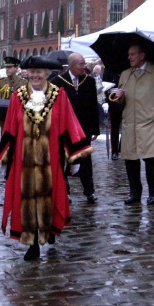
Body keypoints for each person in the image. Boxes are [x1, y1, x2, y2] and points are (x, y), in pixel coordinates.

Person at [0, 55, 93, 261]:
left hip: (52, 159)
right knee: (27, 200)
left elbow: (69, 124)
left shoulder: (59, 95)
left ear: (47, 74)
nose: (35, 75)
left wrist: (74, 158)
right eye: (32, 72)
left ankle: (48, 231)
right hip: (24, 160)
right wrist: (5, 158)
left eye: (39, 72)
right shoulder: (18, 96)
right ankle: (32, 243)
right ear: (27, 74)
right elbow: (10, 128)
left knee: (50, 198)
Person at [112, 43, 154, 206]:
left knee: (150, 161)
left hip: (151, 124)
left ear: (142, 55)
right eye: (129, 54)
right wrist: (118, 96)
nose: (129, 57)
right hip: (130, 124)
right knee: (130, 161)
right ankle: (135, 193)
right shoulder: (125, 74)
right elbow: (120, 102)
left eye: (132, 54)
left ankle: (153, 194)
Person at [51, 52, 99, 204]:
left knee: (85, 160)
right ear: (71, 66)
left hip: (83, 129)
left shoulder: (89, 81)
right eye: (80, 64)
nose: (84, 67)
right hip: (64, 129)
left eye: (84, 63)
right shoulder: (57, 82)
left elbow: (93, 106)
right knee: (64, 160)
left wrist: (95, 129)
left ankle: (89, 191)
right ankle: (65, 192)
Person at [102, 68, 122, 160]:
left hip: (127, 100)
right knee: (114, 127)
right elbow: (105, 86)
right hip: (113, 100)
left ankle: (122, 147)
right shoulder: (108, 70)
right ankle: (115, 151)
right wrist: (106, 101)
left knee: (127, 126)